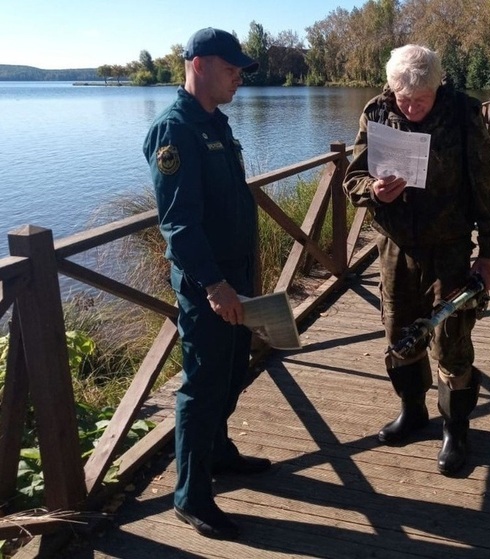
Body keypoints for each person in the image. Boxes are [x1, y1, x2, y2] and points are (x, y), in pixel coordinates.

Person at [342, 45, 490, 476]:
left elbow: (486, 189)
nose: (411, 108)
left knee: (452, 342)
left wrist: (489, 255)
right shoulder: (377, 113)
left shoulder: (462, 116)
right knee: (399, 336)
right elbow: (352, 177)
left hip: (450, 250)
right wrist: (371, 191)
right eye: (403, 99)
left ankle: (456, 429)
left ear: (437, 88)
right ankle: (413, 411)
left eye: (420, 100)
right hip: (395, 250)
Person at [143, 27, 270, 540]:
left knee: (233, 369)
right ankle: (191, 496)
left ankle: (219, 452)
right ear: (198, 64)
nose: (239, 76)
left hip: (235, 277)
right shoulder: (174, 130)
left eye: (241, 69)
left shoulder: (216, 123)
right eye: (231, 67)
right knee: (201, 387)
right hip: (208, 287)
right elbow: (178, 225)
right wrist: (215, 286)